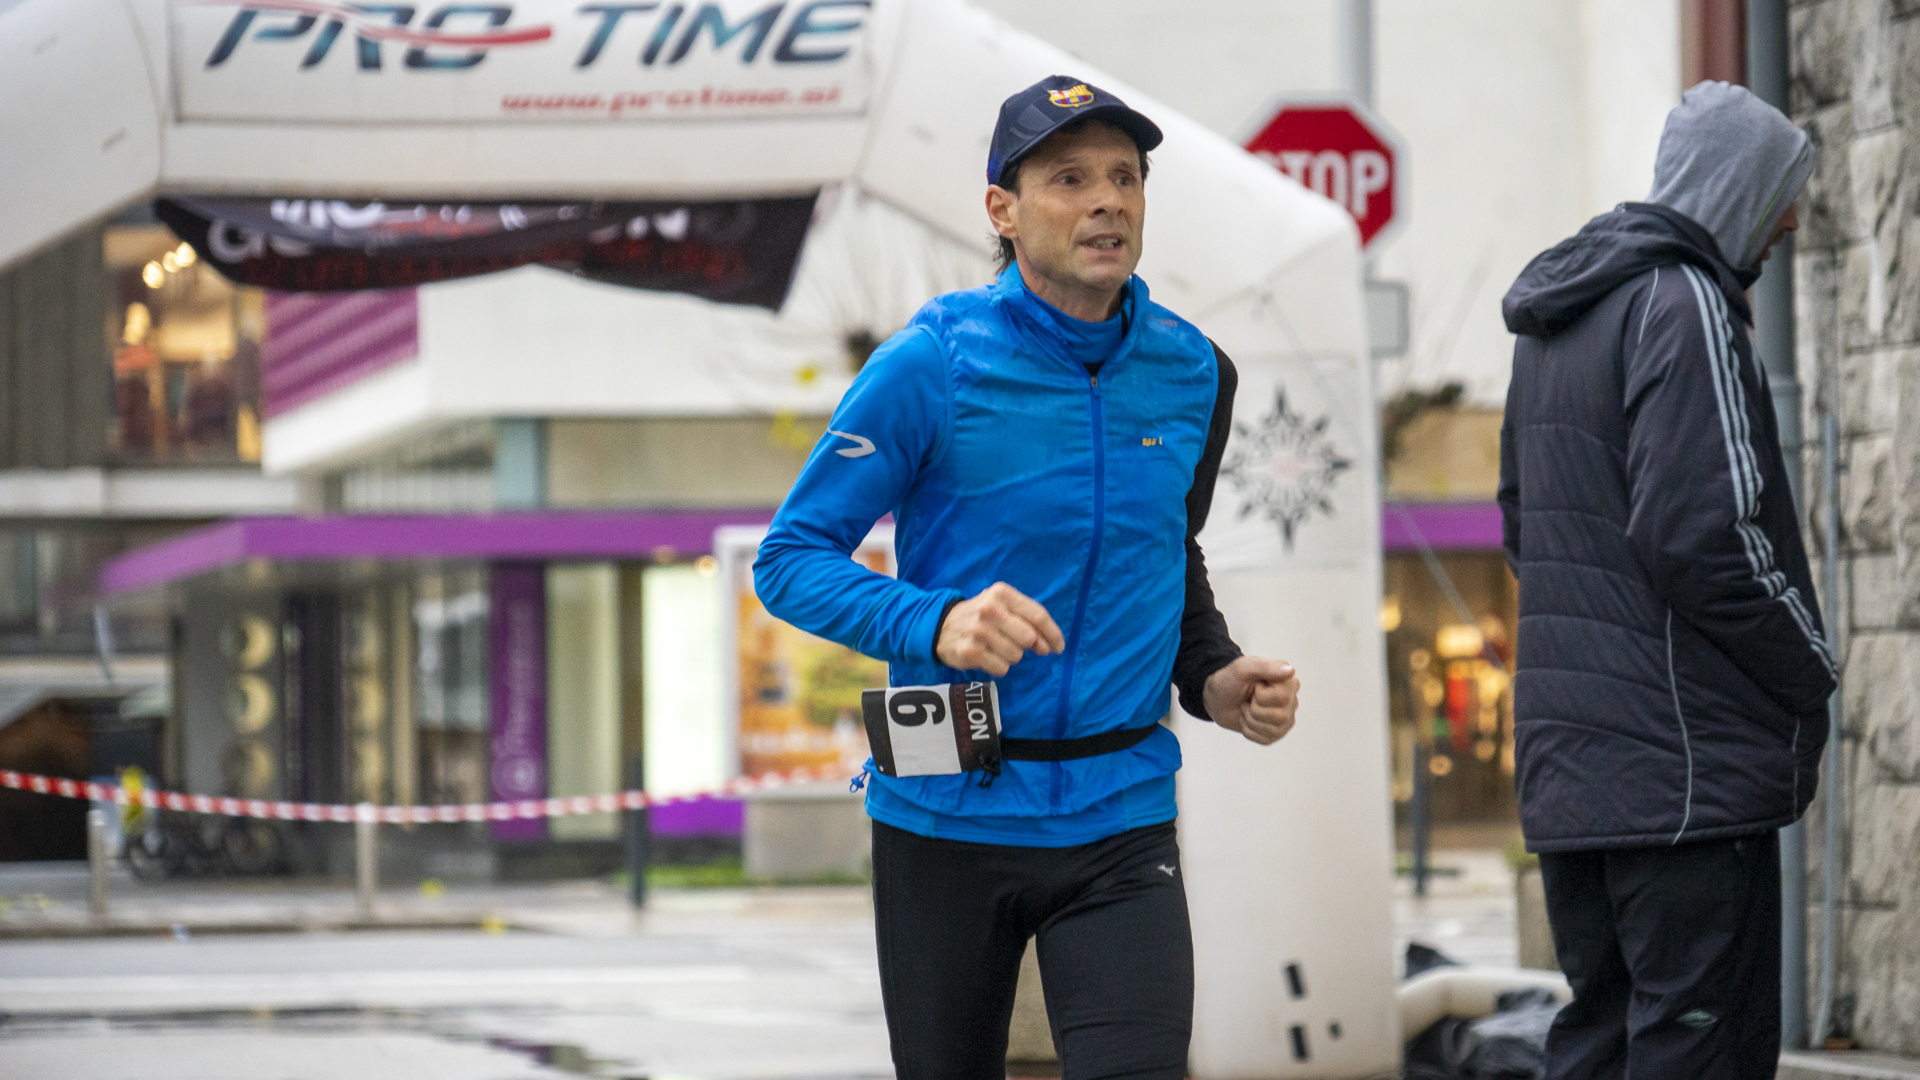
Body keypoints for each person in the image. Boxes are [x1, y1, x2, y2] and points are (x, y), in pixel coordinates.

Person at [754, 75, 1301, 1080]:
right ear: (1002, 211)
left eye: (1126, 178)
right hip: (946, 807)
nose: (1108, 202)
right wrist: (936, 622)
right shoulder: (930, 363)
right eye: (1070, 179)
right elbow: (789, 562)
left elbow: (1165, 550)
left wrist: (1213, 675)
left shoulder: (1195, 373)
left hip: (1122, 813)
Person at [1499, 81, 1837, 1078]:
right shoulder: (1683, 300)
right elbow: (1704, 533)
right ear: (1737, 189)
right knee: (1701, 1052)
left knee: (1602, 1041)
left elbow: (1523, 526)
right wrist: (1812, 667)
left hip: (1576, 783)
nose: (1789, 221)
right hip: (1687, 783)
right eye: (1780, 194)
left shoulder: (1556, 322)